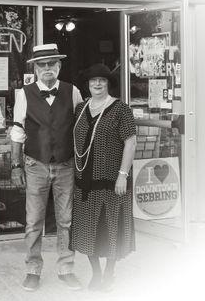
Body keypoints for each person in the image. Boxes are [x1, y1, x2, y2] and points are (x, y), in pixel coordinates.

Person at [10, 44, 83, 291]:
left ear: (59, 66)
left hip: (65, 165)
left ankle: (66, 268)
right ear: (35, 68)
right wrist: (15, 165)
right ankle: (32, 270)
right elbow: (18, 131)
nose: (47, 68)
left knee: (66, 220)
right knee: (33, 221)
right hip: (35, 164)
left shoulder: (72, 91)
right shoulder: (24, 93)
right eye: (42, 64)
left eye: (52, 63)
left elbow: (82, 128)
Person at [70, 63, 136, 291]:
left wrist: (123, 175)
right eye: (93, 81)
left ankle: (109, 273)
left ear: (108, 84)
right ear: (87, 85)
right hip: (84, 182)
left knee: (110, 228)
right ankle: (96, 274)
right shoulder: (80, 109)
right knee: (88, 231)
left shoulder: (121, 109)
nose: (97, 84)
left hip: (111, 181)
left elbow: (130, 142)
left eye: (102, 80)